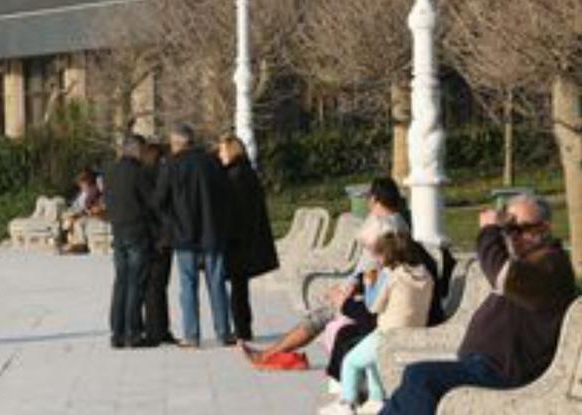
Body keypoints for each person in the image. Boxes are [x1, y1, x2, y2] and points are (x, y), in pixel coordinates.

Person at [382, 194, 577, 414]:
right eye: (508, 229)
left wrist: (489, 231)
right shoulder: (530, 263)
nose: (513, 236)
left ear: (545, 228)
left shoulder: (551, 264)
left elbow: (501, 275)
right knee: (409, 386)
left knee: (421, 377)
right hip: (484, 364)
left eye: (521, 228)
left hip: (503, 371)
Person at [242, 177, 410, 366]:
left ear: (375, 199)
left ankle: (267, 356)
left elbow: (373, 269)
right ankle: (272, 356)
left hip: (369, 298)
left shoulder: (385, 227)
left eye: (369, 197)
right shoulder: (393, 222)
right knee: (318, 316)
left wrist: (347, 291)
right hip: (366, 291)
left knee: (318, 318)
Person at [321, 232, 434, 415]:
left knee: (351, 361)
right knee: (372, 360)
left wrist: (368, 284)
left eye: (379, 255)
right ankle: (376, 398)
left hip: (388, 334)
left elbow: (373, 306)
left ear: (388, 255)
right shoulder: (424, 274)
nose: (378, 259)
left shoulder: (392, 275)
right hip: (414, 332)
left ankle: (346, 403)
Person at [155, 123, 232, 347]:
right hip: (212, 232)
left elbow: (159, 201)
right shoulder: (212, 162)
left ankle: (192, 335)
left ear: (177, 144)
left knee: (187, 285)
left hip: (183, 234)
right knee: (216, 283)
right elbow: (226, 196)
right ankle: (223, 332)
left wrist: (171, 222)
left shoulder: (171, 164)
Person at [217, 133, 279, 342]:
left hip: (239, 241)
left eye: (223, 150)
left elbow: (236, 211)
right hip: (246, 239)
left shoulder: (236, 176)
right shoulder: (245, 172)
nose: (220, 155)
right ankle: (243, 327)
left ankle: (242, 329)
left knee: (238, 288)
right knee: (240, 287)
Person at [104, 135, 154, 349]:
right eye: (142, 151)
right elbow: (151, 201)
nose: (143, 155)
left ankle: (117, 332)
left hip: (118, 231)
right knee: (135, 282)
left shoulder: (110, 172)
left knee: (121, 282)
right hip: (137, 232)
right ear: (135, 150)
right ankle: (133, 332)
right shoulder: (139, 173)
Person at [141, 142, 175, 345]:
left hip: (155, 236)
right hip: (160, 237)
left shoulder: (146, 175)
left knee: (155, 286)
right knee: (157, 286)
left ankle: (158, 329)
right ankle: (158, 329)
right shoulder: (159, 176)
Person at [60, 169, 103, 253]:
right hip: (85, 213)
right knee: (69, 219)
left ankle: (80, 244)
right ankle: (72, 242)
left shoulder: (94, 191)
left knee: (77, 222)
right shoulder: (84, 192)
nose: (80, 186)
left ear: (87, 182)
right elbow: (77, 205)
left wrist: (80, 213)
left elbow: (93, 207)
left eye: (82, 183)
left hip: (94, 215)